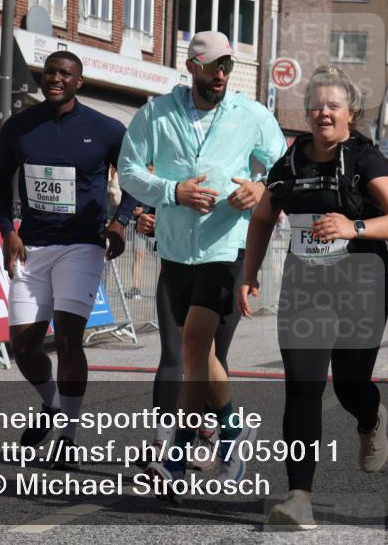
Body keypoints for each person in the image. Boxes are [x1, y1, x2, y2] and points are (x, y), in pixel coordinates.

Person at [239, 66, 388, 529]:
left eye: (333, 105)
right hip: (306, 284)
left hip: (362, 281)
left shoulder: (363, 158)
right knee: (302, 387)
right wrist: (248, 272)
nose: (322, 113)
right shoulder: (293, 159)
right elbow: (262, 217)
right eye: (316, 104)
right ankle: (299, 497)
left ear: (350, 113)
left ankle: (370, 415)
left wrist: (352, 226)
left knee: (349, 384)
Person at [119, 31, 286, 499]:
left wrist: (259, 189)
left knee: (193, 344)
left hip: (226, 245)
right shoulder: (155, 113)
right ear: (192, 66)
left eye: (227, 67)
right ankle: (232, 430)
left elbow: (282, 167)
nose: (221, 75)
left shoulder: (250, 114)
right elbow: (129, 169)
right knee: (201, 355)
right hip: (175, 249)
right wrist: (173, 192)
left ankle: (176, 454)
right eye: (213, 67)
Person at [0, 50, 139, 469]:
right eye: (50, 72)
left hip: (82, 245)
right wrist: (7, 230)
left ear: (79, 82)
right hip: (32, 247)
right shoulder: (19, 127)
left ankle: (68, 437)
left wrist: (119, 222)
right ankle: (54, 405)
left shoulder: (107, 129)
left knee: (70, 337)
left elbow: (136, 179)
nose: (56, 79)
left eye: (65, 74)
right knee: (22, 346)